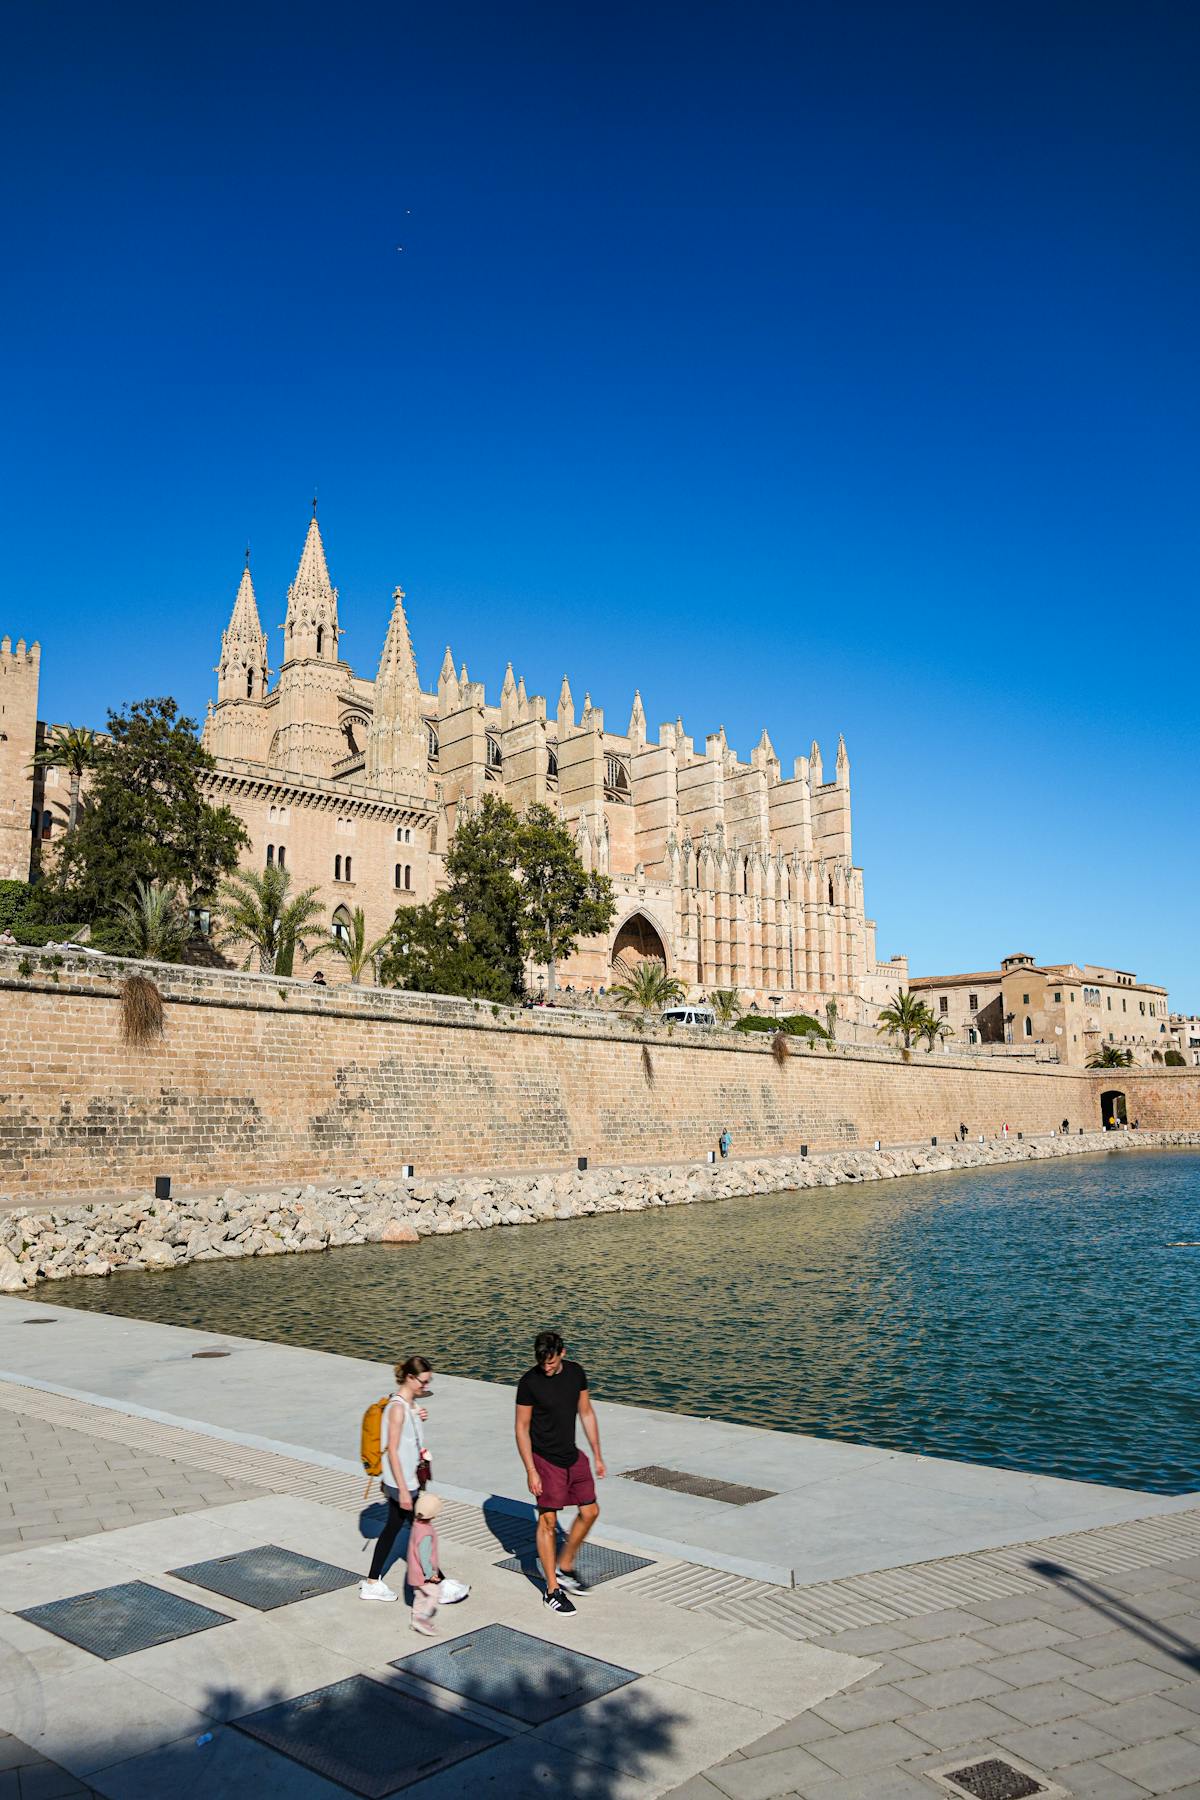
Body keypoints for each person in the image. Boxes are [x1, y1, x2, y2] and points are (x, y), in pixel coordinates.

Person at [515, 1330, 605, 1615]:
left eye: (551, 1362)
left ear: (562, 1353)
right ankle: (552, 1590)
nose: (547, 1367)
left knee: (590, 1512)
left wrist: (597, 1454)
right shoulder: (529, 1383)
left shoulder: (576, 1374)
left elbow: (586, 1412)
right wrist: (531, 1469)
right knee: (548, 1522)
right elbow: (521, 1427)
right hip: (545, 1460)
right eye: (543, 1363)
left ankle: (565, 1566)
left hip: (572, 1456)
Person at [361, 1355, 433, 1601]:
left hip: (404, 1480)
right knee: (420, 1528)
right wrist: (403, 1490)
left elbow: (407, 1440)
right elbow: (392, 1449)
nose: (426, 1386)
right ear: (411, 1378)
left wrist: (418, 1415)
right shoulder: (397, 1409)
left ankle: (373, 1581)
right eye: (423, 1382)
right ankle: (436, 1581)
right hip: (401, 1482)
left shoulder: (406, 1405)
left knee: (396, 1528)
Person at [407, 1491, 444, 1636]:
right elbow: (424, 1556)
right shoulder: (426, 1533)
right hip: (423, 1573)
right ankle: (422, 1619)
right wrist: (430, 1574)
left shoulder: (416, 1525)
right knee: (434, 1594)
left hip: (414, 1570)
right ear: (433, 1515)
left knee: (419, 1595)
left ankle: (415, 1619)